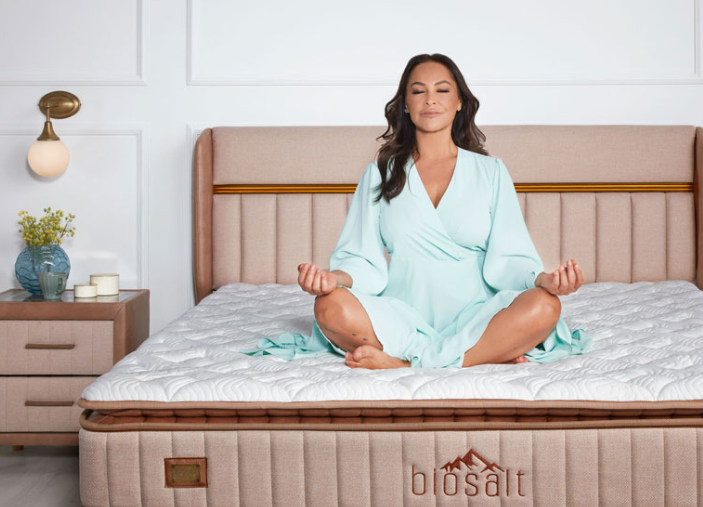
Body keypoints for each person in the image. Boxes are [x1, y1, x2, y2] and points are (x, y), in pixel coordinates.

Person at [245, 53, 590, 369]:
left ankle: (404, 364)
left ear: (459, 102)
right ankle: (475, 355)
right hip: (401, 318)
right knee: (328, 306)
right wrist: (332, 279)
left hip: (479, 315)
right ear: (405, 105)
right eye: (418, 91)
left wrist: (544, 280)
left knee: (546, 305)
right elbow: (363, 260)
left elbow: (509, 258)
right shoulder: (380, 174)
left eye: (442, 90)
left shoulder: (491, 172)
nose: (430, 99)